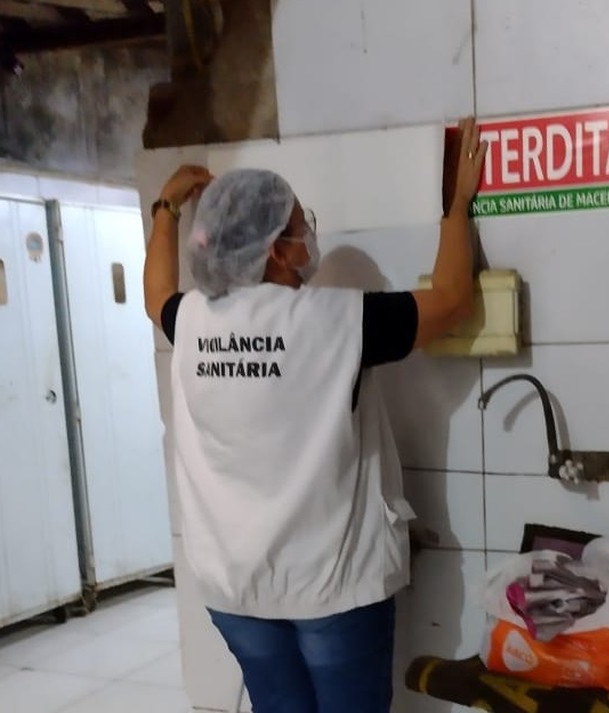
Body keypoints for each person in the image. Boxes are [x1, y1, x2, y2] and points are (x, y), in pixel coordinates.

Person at [142, 118, 488, 713]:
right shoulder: (334, 321)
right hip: (331, 589)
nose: (310, 236)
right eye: (303, 225)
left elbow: (155, 295)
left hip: (234, 587)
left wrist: (165, 210)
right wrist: (457, 204)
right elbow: (453, 299)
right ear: (277, 251)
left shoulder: (191, 319)